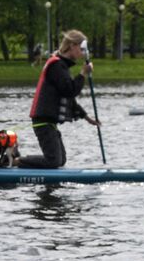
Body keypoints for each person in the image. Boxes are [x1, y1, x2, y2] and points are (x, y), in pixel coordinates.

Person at [18, 30, 100, 169]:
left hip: (49, 122)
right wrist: (82, 74)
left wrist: (87, 118)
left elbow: (68, 98)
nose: (83, 54)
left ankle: (19, 160)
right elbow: (70, 90)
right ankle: (15, 161)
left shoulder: (62, 65)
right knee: (53, 161)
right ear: (72, 45)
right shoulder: (56, 65)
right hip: (42, 121)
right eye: (81, 49)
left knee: (60, 161)